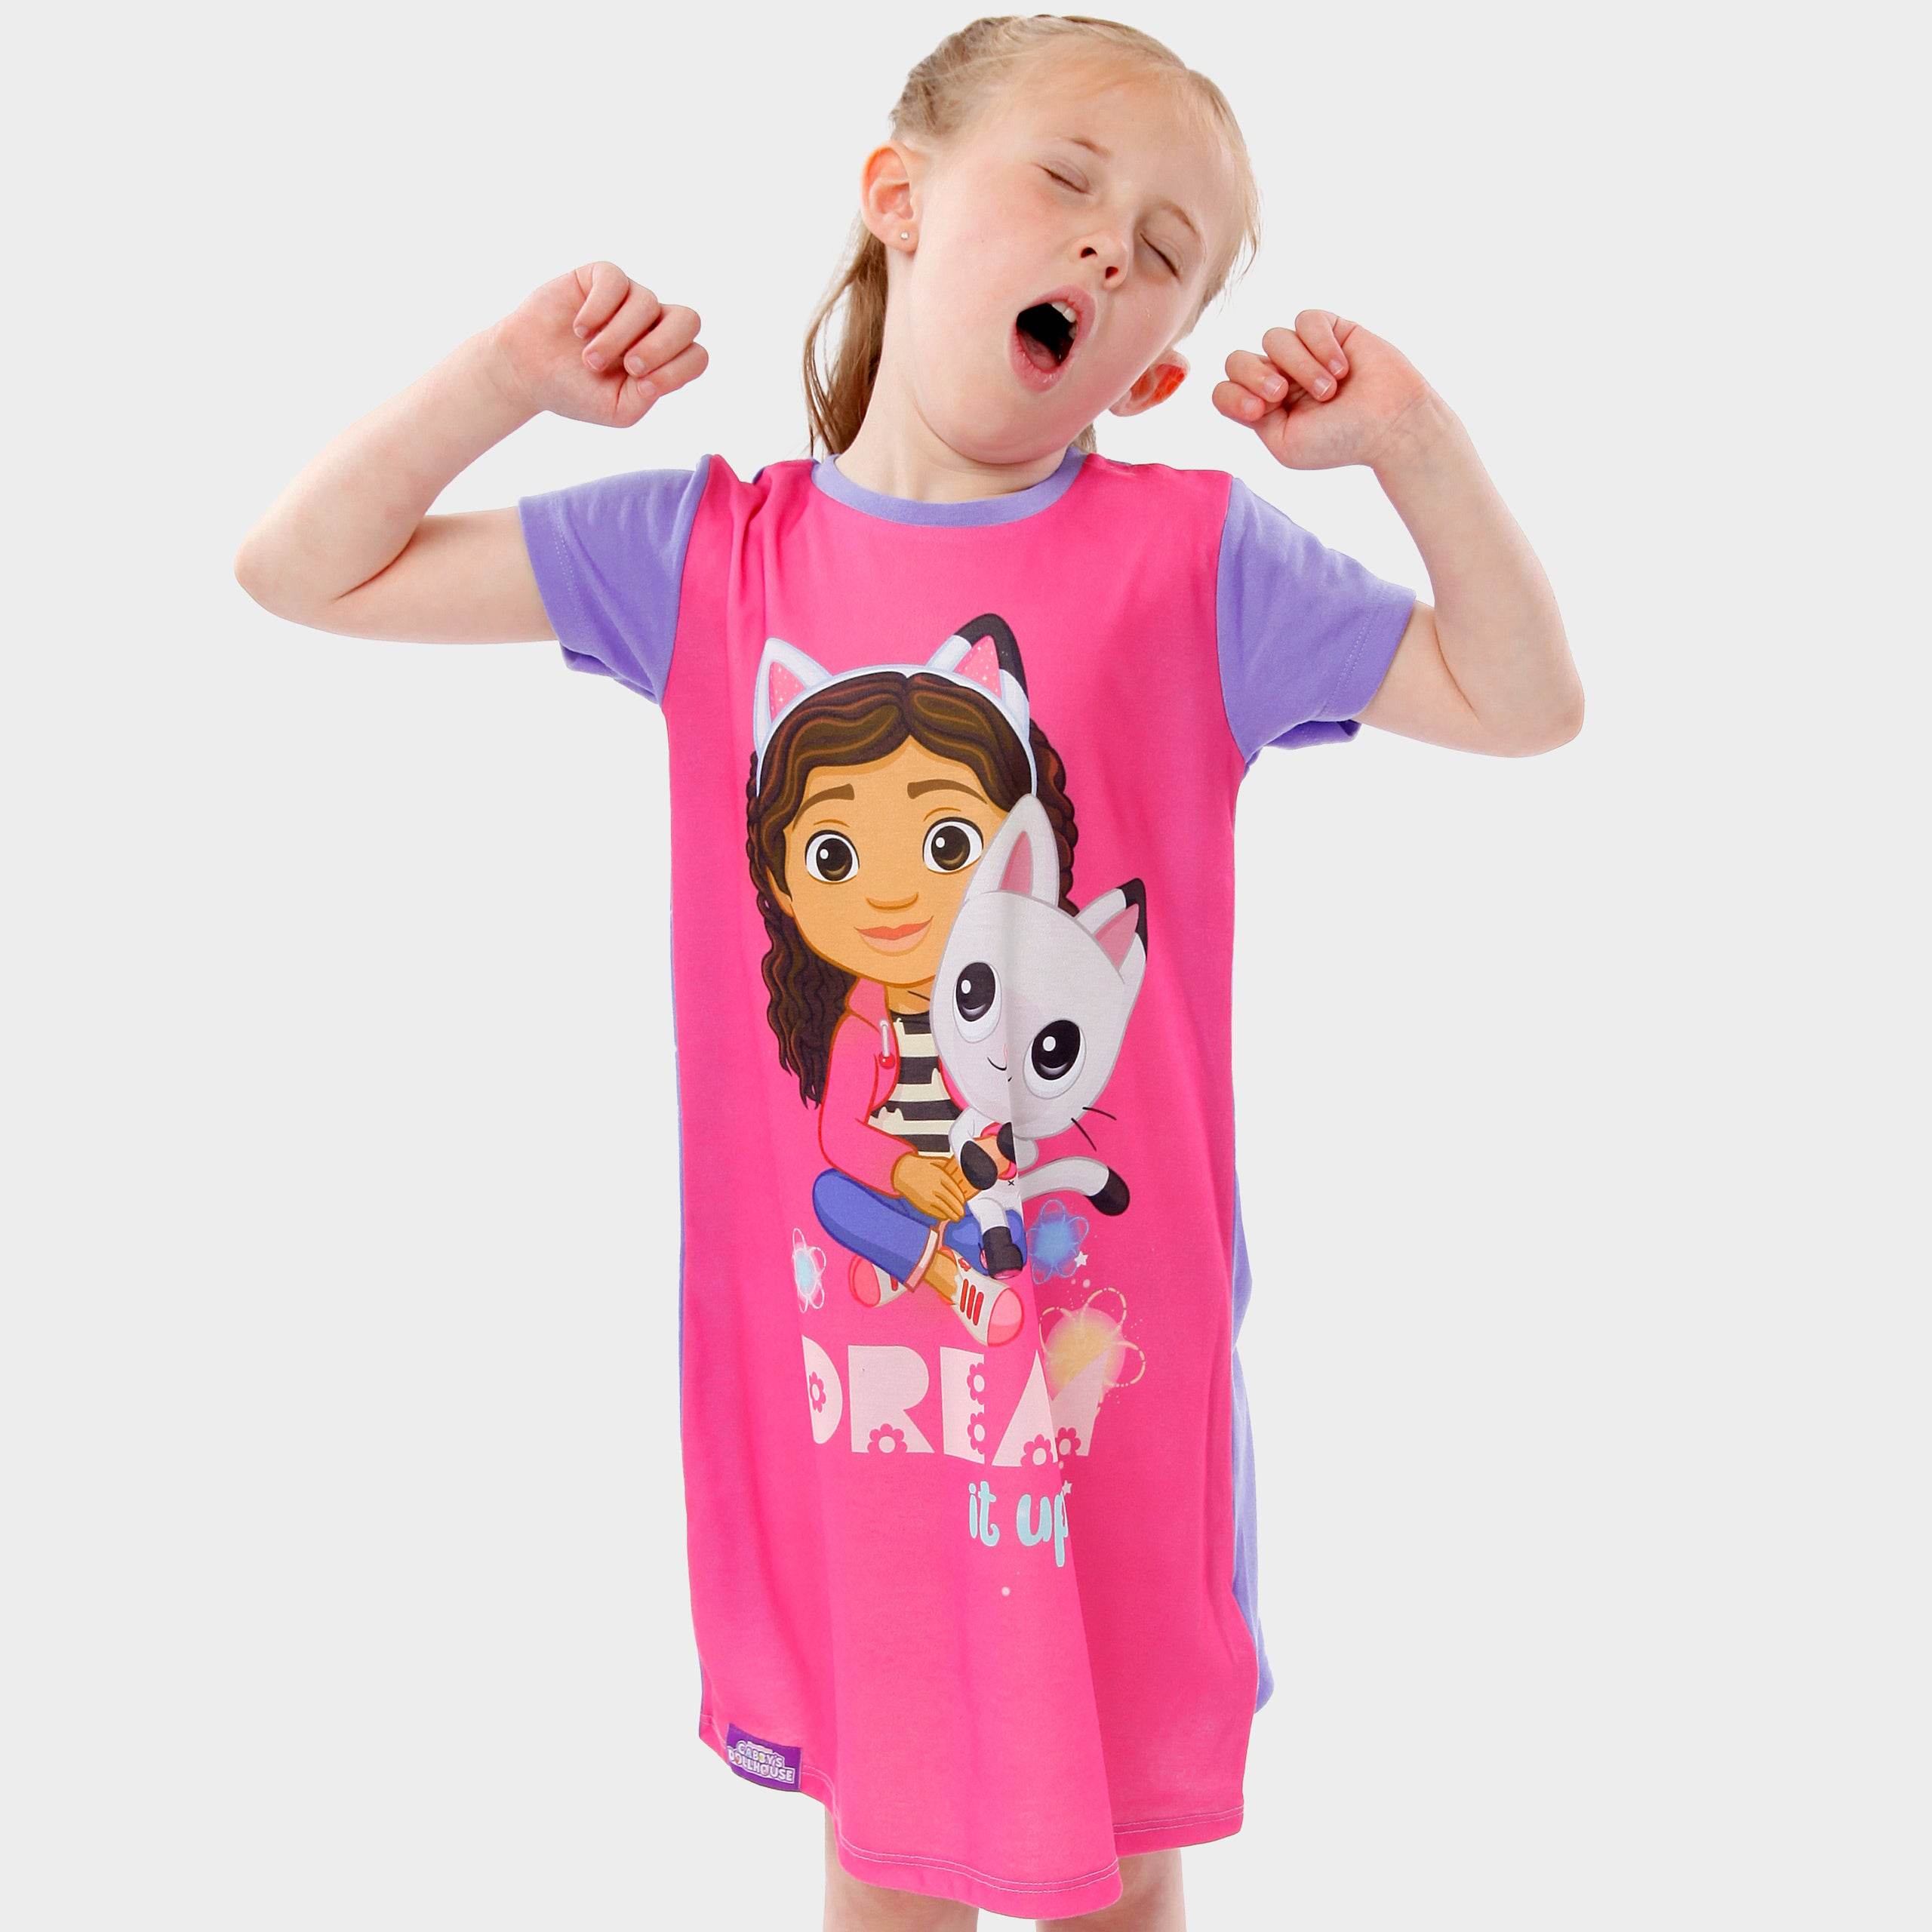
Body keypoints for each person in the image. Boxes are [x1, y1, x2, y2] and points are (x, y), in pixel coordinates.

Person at [233, 14, 1580, 1929]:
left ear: (1153, 363)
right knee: (883, 1859)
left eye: (1166, 249)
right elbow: (302, 567)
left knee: (1114, 1870)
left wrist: (1409, 446)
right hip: (841, 1390)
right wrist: (510, 378)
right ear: (897, 197)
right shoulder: (706, 557)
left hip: (1102, 1388)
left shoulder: (1192, 559)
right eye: (1066, 179)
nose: (1109, 242)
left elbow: (1521, 702)